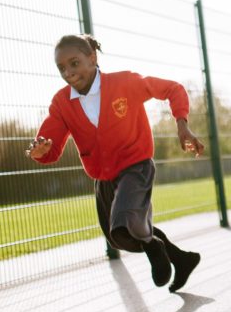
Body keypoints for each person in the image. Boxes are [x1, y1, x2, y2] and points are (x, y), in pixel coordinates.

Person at [28, 34, 205, 290]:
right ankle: (182, 259)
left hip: (136, 166)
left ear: (92, 58)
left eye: (74, 63)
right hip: (103, 177)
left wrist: (182, 124)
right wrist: (39, 151)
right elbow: (49, 146)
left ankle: (154, 246)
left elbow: (172, 89)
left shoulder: (125, 82)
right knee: (118, 237)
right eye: (61, 67)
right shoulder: (61, 102)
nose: (68, 72)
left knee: (125, 222)